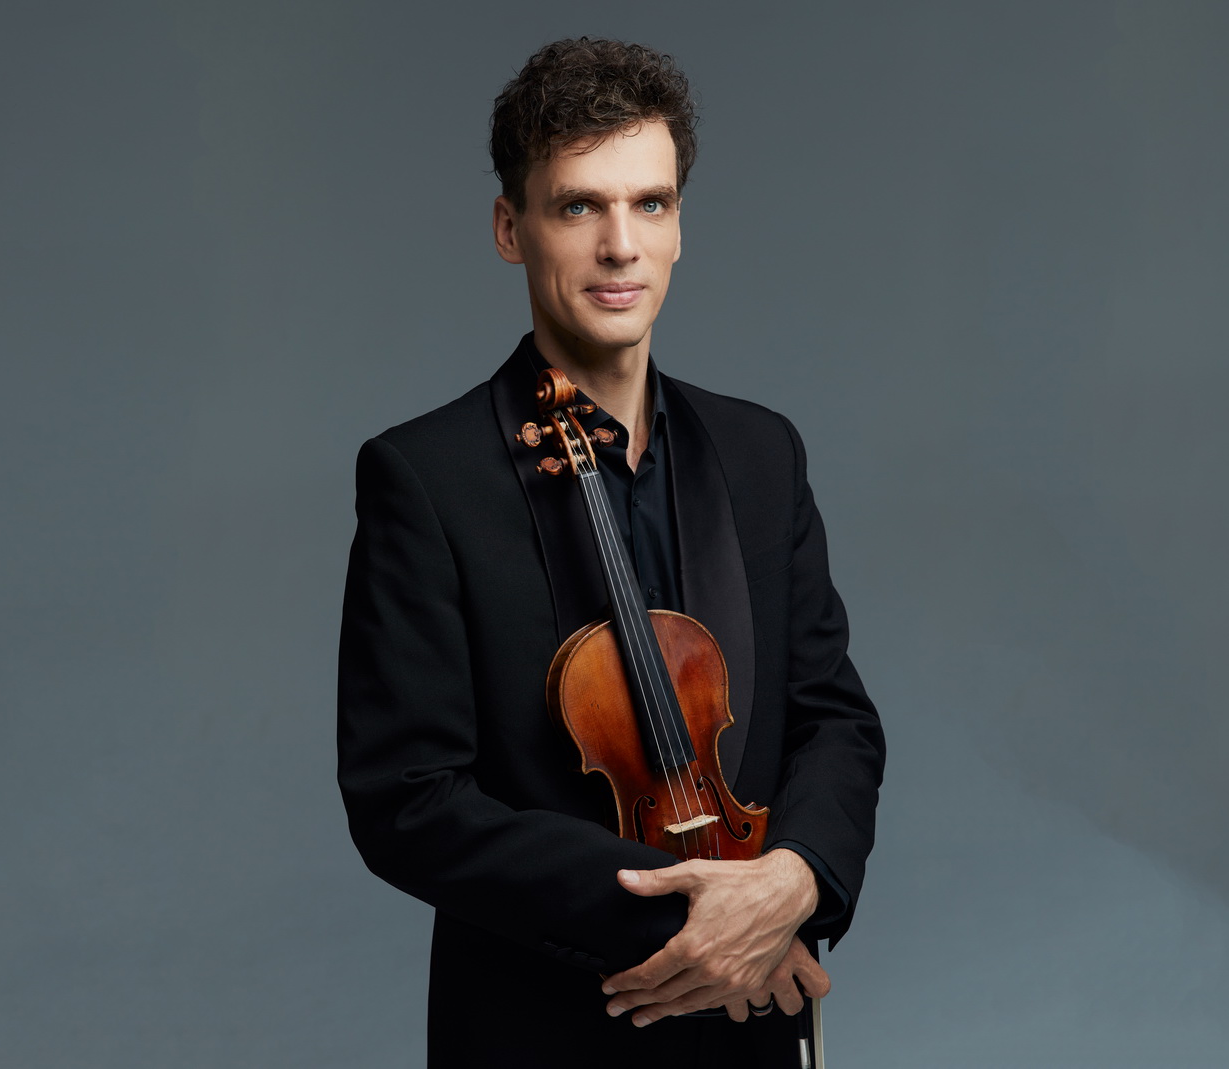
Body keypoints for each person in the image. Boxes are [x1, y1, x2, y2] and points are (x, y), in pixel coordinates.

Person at [336, 36, 886, 1068]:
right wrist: (700, 920)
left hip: (754, 1021)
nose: (620, 245)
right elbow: (408, 798)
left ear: (679, 227)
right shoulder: (426, 477)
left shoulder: (761, 452)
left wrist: (793, 879)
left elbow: (834, 720)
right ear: (512, 228)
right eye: (579, 206)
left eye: (650, 204)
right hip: (547, 1027)